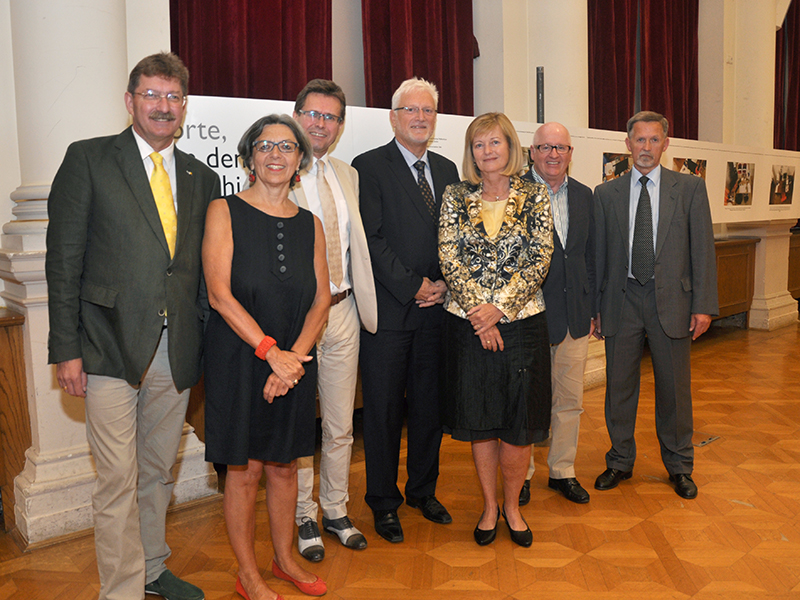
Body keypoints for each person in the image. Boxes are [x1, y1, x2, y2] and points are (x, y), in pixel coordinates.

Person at [46, 53, 220, 600]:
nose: (162, 107)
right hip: (105, 347)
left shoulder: (201, 175)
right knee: (116, 477)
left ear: (184, 106)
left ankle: (150, 568)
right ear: (130, 101)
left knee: (156, 471)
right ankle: (120, 590)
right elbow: (64, 260)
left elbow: (195, 268)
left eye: (172, 97)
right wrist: (65, 348)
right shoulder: (89, 160)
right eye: (151, 95)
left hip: (176, 348)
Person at [202, 115, 330, 599]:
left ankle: (284, 560)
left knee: (284, 465)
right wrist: (269, 352)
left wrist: (292, 359)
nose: (276, 155)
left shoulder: (311, 225)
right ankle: (247, 572)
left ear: (300, 160)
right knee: (245, 468)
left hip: (294, 362)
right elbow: (219, 293)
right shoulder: (224, 210)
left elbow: (321, 300)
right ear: (249, 156)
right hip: (239, 358)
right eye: (265, 146)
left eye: (286, 147)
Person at [351, 77, 459, 543]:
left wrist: (445, 286)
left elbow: (460, 239)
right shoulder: (368, 167)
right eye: (410, 110)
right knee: (382, 411)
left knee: (430, 409)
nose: (420, 117)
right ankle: (383, 501)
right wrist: (415, 285)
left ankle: (422, 490)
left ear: (436, 120)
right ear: (393, 118)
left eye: (428, 111)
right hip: (391, 313)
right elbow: (370, 240)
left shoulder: (450, 168)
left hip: (439, 314)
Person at [439, 112, 554, 547]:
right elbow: (449, 258)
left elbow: (538, 259)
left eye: (494, 143)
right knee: (480, 419)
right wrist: (479, 313)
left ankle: (512, 507)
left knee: (518, 421)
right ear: (471, 153)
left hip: (522, 325)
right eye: (478, 145)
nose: (487, 151)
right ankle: (489, 507)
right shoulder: (454, 195)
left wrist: (498, 310)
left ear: (511, 147)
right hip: (468, 326)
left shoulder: (535, 195)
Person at [593, 111, 718, 500]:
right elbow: (599, 255)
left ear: (666, 144)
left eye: (653, 140)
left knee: (674, 389)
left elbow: (703, 250)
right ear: (627, 145)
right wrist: (597, 306)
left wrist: (704, 306)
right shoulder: (606, 193)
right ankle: (619, 461)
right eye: (639, 140)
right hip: (622, 299)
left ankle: (679, 466)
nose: (645, 148)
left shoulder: (690, 188)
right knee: (619, 386)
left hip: (673, 302)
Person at [289, 79, 377, 561]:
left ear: (341, 127)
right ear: (297, 115)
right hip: (298, 318)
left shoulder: (347, 174)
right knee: (301, 423)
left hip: (344, 310)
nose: (321, 124)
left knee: (341, 423)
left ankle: (336, 509)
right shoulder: (276, 168)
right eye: (313, 114)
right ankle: (304, 515)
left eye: (331, 117)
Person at [518, 122, 596, 506]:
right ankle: (524, 475)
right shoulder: (513, 194)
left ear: (569, 154)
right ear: (531, 152)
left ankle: (562, 470)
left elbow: (589, 256)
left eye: (560, 148)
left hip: (575, 317)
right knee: (530, 401)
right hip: (528, 318)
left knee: (569, 400)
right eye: (545, 147)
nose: (553, 155)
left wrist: (594, 307)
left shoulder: (584, 196)